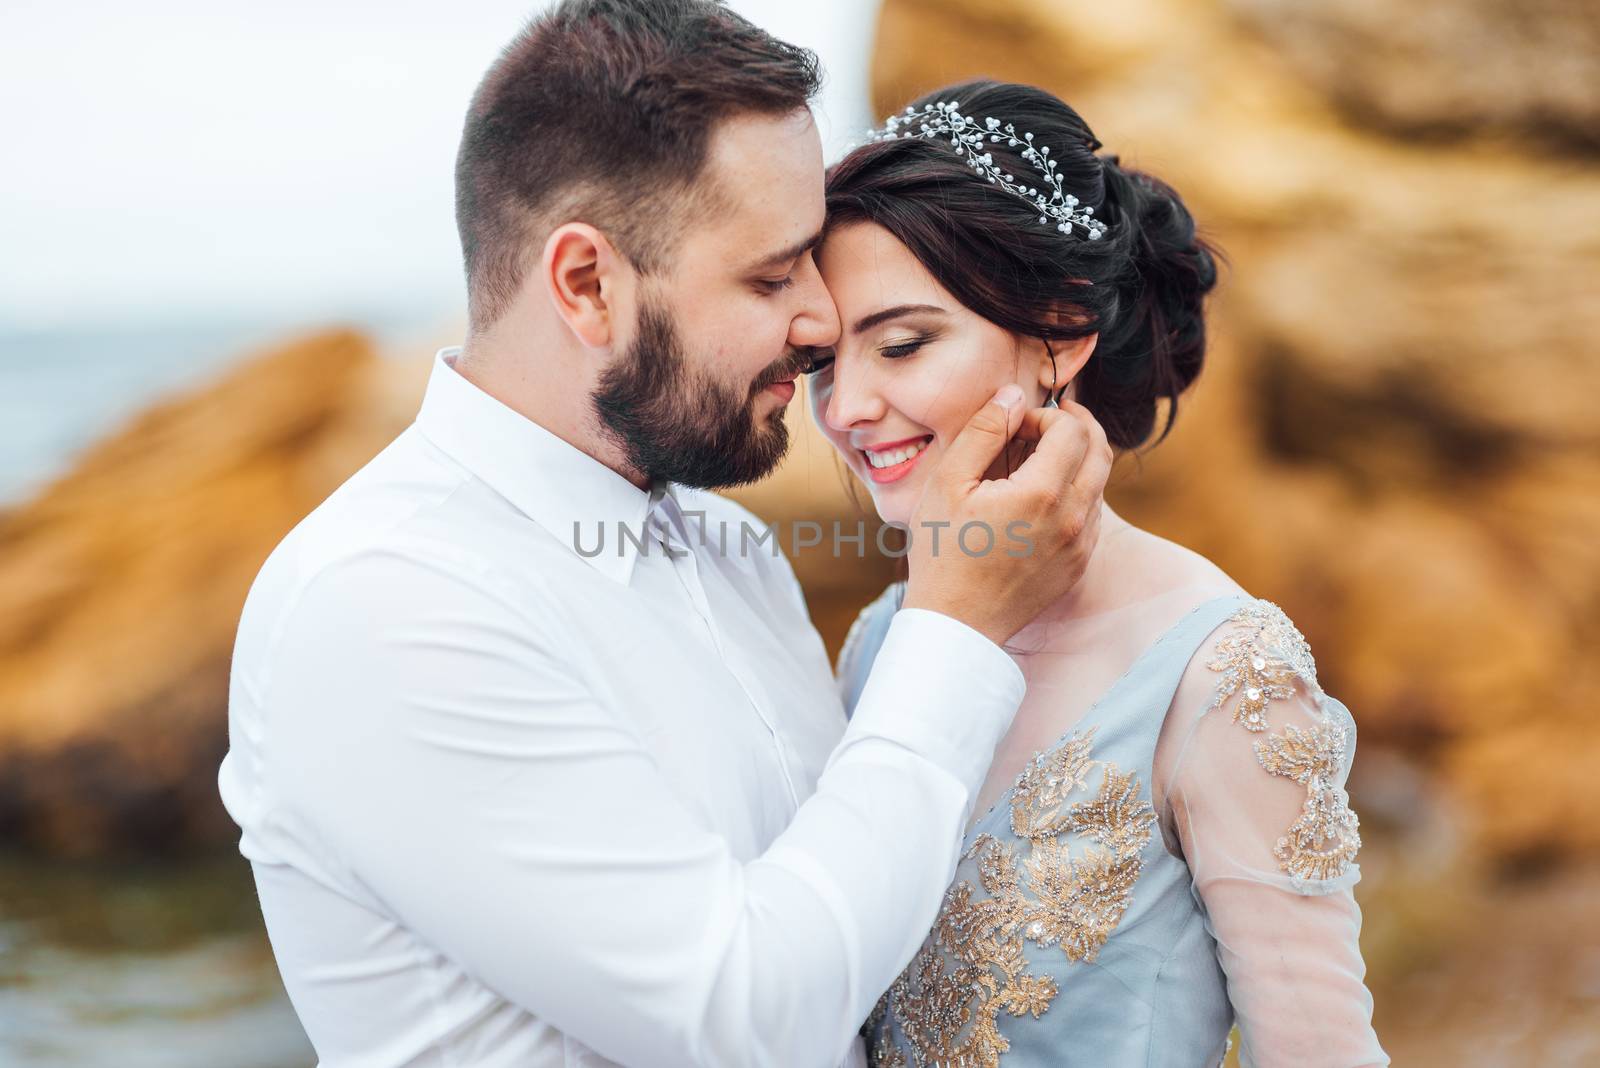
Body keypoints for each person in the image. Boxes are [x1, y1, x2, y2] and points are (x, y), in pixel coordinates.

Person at [217, 5, 1113, 1067]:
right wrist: (957, 627)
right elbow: (749, 1021)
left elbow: (855, 923)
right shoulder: (387, 601)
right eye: (773, 276)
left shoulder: (733, 553)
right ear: (588, 286)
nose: (823, 324)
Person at [813, 81, 1389, 1066]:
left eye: (901, 344)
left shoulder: (1222, 672)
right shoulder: (882, 642)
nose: (847, 408)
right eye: (822, 362)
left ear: (1058, 333)